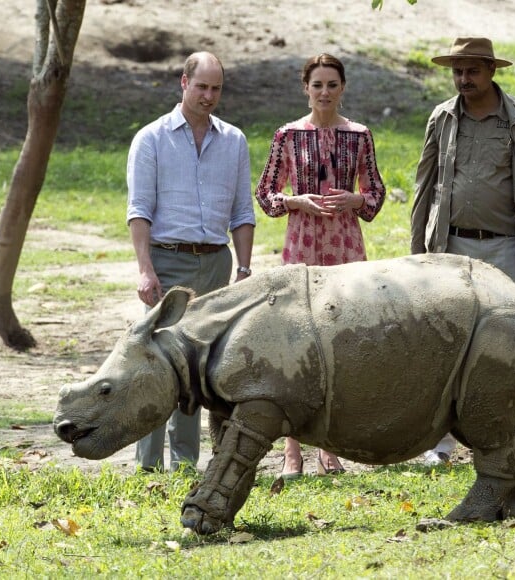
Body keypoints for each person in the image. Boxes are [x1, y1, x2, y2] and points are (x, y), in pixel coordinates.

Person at [411, 38, 515, 465]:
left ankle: (505, 434)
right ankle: (443, 443)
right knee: (444, 340)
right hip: (450, 244)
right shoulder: (442, 116)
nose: (463, 79)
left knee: (505, 344)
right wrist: (418, 251)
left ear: (491, 70)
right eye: (457, 71)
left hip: (505, 245)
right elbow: (424, 185)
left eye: (472, 71)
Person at [255, 53, 386, 479]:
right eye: (317, 85)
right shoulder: (288, 136)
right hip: (303, 243)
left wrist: (356, 199)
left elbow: (377, 192)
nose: (324, 92)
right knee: (299, 343)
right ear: (305, 88)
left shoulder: (359, 135)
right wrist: (297, 200)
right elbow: (266, 195)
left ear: (342, 88)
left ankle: (330, 446)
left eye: (332, 84)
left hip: (346, 244)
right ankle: (292, 450)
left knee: (342, 344)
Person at [127, 51, 255, 472]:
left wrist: (243, 269)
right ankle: (148, 465)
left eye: (216, 88)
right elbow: (139, 210)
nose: (209, 96)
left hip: (216, 264)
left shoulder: (233, 140)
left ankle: (184, 463)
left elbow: (242, 213)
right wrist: (146, 269)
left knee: (198, 368)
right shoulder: (152, 138)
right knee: (157, 365)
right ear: (184, 83)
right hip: (168, 262)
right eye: (201, 87)